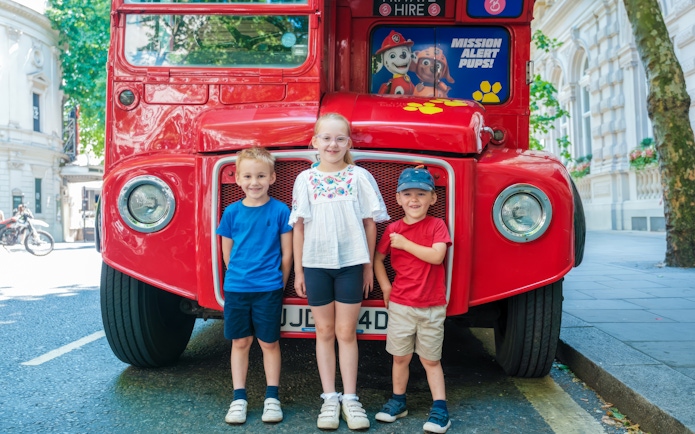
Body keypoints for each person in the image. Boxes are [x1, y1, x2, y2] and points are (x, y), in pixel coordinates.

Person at [290, 113, 389, 430]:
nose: (333, 144)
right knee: (324, 332)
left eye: (340, 138)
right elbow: (299, 228)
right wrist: (299, 272)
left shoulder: (358, 176)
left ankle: (351, 398)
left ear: (349, 143)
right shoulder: (305, 179)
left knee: (347, 333)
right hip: (316, 265)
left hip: (350, 266)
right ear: (315, 141)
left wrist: (367, 266)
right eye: (326, 138)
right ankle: (329, 398)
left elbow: (369, 224)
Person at [216, 147, 293, 425]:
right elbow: (227, 253)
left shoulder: (280, 211)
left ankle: (272, 398)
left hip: (268, 289)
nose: (254, 182)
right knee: (240, 341)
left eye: (261, 175)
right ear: (237, 179)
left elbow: (287, 254)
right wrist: (238, 276)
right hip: (237, 288)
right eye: (247, 176)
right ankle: (239, 398)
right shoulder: (232, 213)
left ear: (272, 177)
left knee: (269, 342)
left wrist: (278, 283)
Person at [373, 166, 453, 433]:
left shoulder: (436, 225)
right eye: (407, 194)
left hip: (432, 306)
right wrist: (385, 287)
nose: (414, 199)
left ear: (433, 199)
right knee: (400, 357)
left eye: (422, 193)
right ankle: (398, 402)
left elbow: (437, 256)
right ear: (398, 199)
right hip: (401, 305)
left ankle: (440, 408)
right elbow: (378, 260)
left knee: (430, 360)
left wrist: (406, 244)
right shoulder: (393, 229)